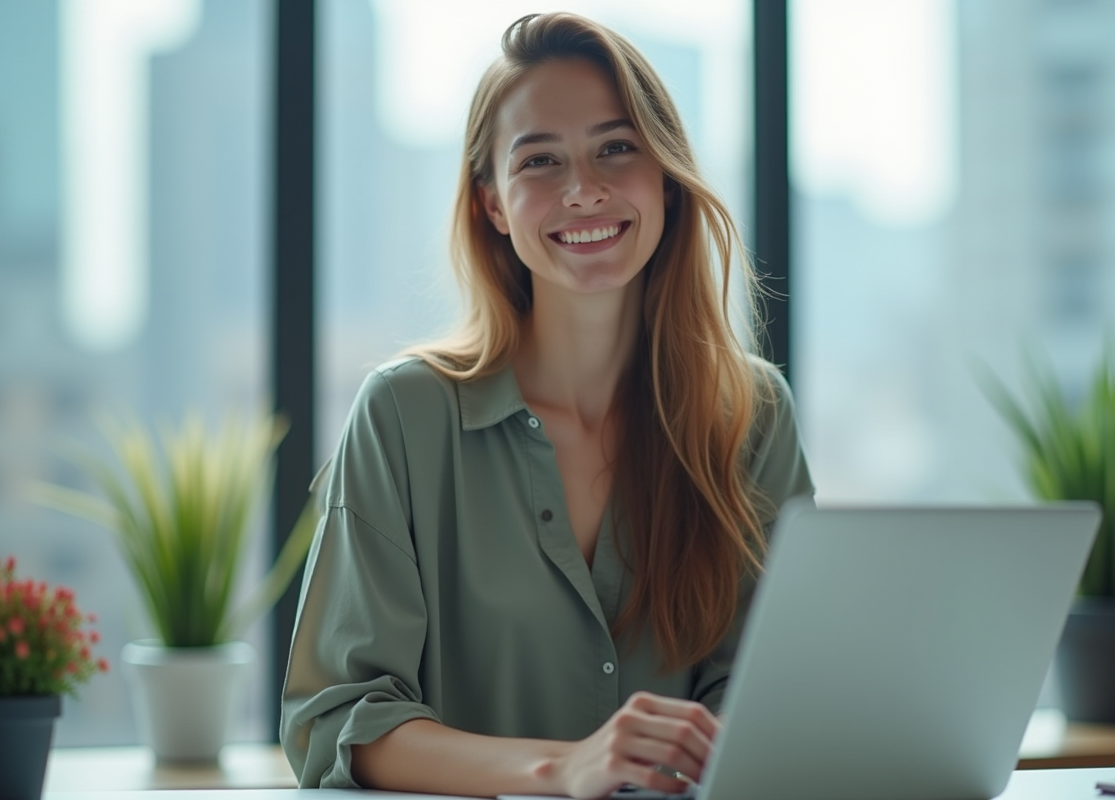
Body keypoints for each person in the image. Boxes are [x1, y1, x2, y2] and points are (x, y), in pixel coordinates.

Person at [280, 11, 814, 799]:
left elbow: (770, 693)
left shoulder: (751, 414)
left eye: (615, 148)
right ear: (493, 204)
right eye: (539, 160)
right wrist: (563, 768)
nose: (583, 190)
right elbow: (337, 720)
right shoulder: (405, 415)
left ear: (665, 176)